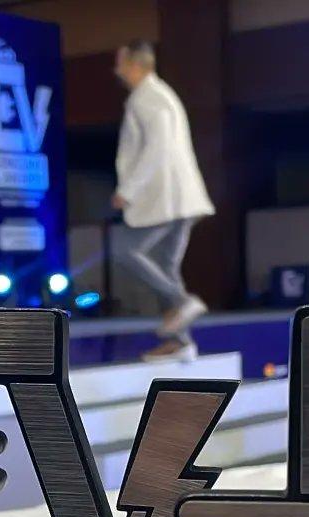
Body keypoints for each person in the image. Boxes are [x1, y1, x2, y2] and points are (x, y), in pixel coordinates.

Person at [111, 39, 214, 362]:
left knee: (125, 249)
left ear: (135, 64)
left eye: (120, 62)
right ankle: (180, 342)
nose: (116, 69)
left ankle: (181, 303)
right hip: (180, 197)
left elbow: (157, 149)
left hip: (167, 197)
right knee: (166, 265)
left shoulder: (147, 99)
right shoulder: (160, 95)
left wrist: (128, 191)